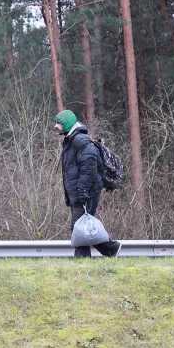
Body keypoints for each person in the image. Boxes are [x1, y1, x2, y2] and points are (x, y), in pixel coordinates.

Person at [54, 109, 121, 258]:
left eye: (59, 123)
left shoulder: (80, 140)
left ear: (67, 124)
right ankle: (110, 250)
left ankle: (107, 250)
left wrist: (83, 190)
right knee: (81, 227)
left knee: (79, 228)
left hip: (86, 192)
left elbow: (89, 167)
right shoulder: (72, 140)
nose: (56, 126)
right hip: (80, 192)